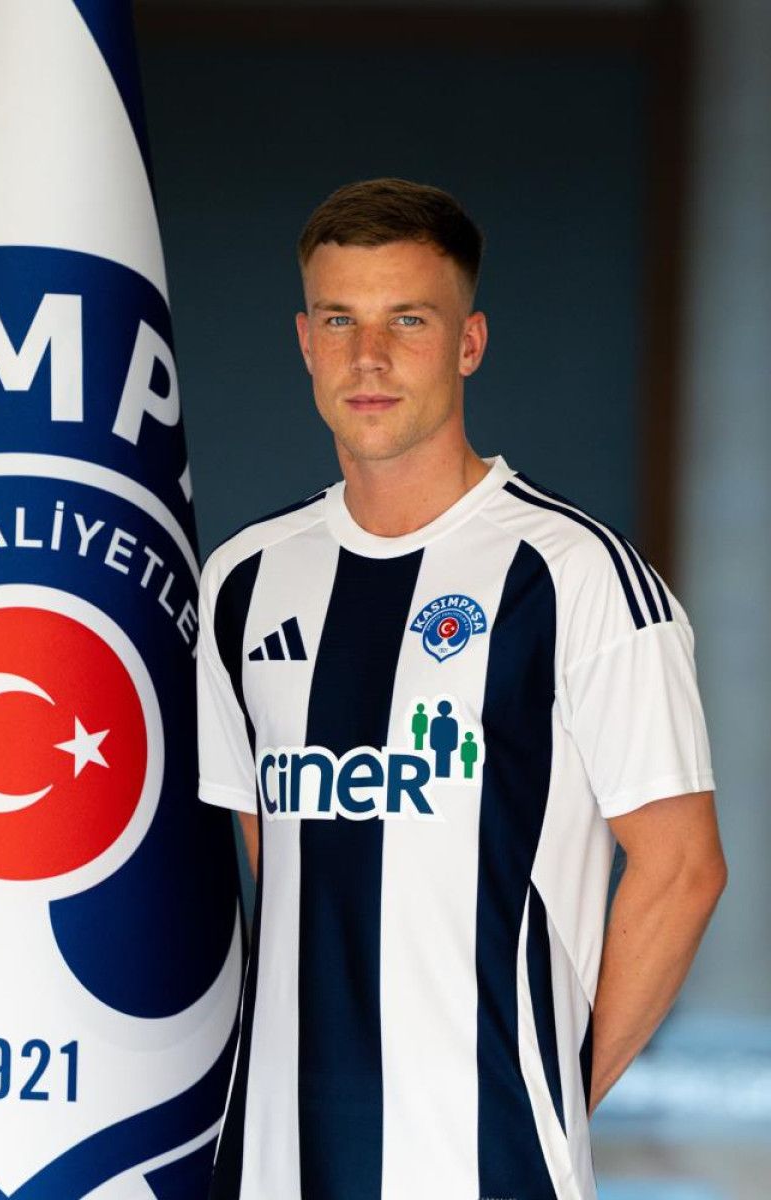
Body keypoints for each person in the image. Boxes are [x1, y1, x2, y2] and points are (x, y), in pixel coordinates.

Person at [195, 178, 725, 1200]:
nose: (369, 357)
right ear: (304, 342)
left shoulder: (574, 576)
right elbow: (276, 849)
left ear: (469, 343)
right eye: (339, 320)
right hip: (273, 1159)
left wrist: (552, 1097)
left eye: (409, 320)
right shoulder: (245, 580)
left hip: (486, 1160)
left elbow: (683, 869)